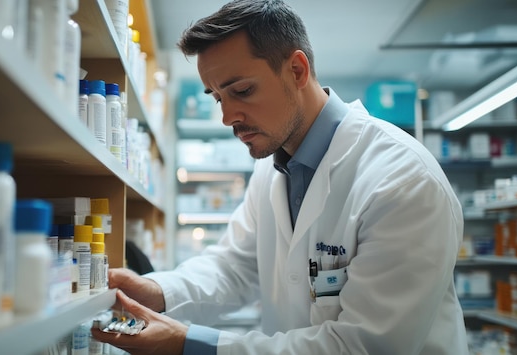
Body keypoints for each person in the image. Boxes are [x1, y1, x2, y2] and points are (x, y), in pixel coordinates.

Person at [91, 0, 468, 354]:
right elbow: (235, 265)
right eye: (218, 97)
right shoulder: (272, 168)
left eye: (242, 90)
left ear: (297, 70)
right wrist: (156, 290)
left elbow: (362, 345)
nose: (228, 117)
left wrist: (189, 344)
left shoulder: (402, 181)